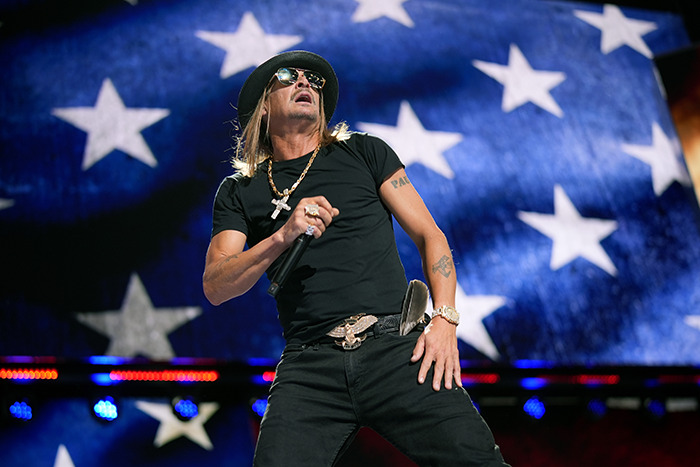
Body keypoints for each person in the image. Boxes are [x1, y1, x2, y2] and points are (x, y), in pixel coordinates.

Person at [203, 50, 509, 466]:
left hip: (398, 349)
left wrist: (446, 319)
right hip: (309, 366)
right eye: (289, 76)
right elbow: (217, 285)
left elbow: (429, 235)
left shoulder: (364, 153)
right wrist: (284, 235)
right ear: (262, 107)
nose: (305, 83)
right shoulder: (240, 191)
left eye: (314, 80)